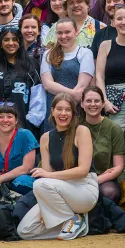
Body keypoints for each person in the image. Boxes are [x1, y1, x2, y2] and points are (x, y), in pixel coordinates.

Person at [17, 93, 99, 240]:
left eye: (68, 110)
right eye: (59, 109)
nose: (63, 113)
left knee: (40, 182)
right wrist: (44, 203)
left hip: (84, 189)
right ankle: (74, 224)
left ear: (73, 114)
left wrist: (48, 177)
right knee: (25, 230)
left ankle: (73, 220)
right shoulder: (45, 138)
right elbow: (47, 174)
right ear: (52, 111)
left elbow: (83, 170)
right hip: (59, 191)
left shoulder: (81, 131)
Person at [0, 27, 46, 131]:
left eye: (15, 39)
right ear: (0, 43)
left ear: (20, 42)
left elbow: (38, 98)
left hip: (23, 128)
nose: (11, 43)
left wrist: (29, 123)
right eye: (6, 39)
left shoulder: (31, 65)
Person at [0, 104, 38, 203]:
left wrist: (0, 179)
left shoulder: (25, 135)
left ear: (16, 120)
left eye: (9, 116)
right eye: (1, 117)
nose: (5, 120)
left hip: (20, 183)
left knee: (21, 183)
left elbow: (27, 167)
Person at [79, 86, 125, 203]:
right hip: (78, 177)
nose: (93, 104)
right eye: (89, 101)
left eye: (97, 101)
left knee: (110, 192)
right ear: (82, 103)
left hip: (104, 179)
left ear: (103, 103)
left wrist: (95, 180)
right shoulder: (75, 126)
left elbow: (118, 166)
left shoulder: (114, 128)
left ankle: (103, 221)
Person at [41, 17, 95, 114]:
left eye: (67, 32)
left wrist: (67, 110)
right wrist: (72, 94)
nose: (63, 36)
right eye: (60, 33)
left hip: (76, 109)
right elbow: (47, 84)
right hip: (54, 110)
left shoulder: (85, 53)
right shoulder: (48, 54)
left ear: (76, 32)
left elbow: (82, 85)